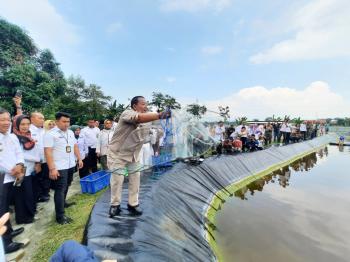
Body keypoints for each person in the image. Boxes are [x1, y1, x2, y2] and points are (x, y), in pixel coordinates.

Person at [107, 96, 170, 217]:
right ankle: (115, 205)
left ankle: (133, 204)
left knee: (136, 178)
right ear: (134, 106)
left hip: (134, 154)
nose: (145, 106)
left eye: (146, 104)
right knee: (117, 180)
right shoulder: (127, 113)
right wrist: (160, 114)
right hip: (118, 153)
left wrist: (161, 126)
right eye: (143, 104)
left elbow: (156, 130)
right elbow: (139, 118)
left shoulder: (148, 119)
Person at [44, 112, 83, 224]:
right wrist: (52, 169)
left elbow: (75, 146)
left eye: (68, 122)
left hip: (70, 164)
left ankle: (63, 203)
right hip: (59, 166)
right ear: (57, 122)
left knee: (68, 185)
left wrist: (79, 159)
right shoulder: (50, 134)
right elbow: (48, 152)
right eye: (64, 121)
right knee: (60, 190)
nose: (67, 124)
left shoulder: (70, 132)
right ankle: (60, 216)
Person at [0, 108, 25, 253]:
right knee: (1, 210)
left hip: (13, 177)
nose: (6, 122)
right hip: (2, 178)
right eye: (2, 119)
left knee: (7, 207)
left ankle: (9, 230)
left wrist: (20, 165)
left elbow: (19, 152)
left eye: (8, 119)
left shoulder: (12, 136)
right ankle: (6, 243)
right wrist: (12, 169)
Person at [12, 115, 40, 224]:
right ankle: (23, 218)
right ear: (16, 125)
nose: (25, 126)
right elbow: (20, 155)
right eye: (22, 124)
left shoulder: (29, 136)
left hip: (30, 169)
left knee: (30, 193)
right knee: (22, 195)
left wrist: (37, 162)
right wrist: (37, 159)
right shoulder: (14, 137)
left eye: (28, 124)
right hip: (21, 170)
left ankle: (29, 214)